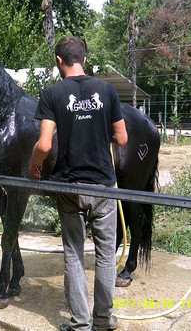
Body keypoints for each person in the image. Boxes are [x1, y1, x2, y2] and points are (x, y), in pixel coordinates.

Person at [28, 36, 128, 331]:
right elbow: (121, 138)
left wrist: (34, 165)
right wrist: (98, 133)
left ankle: (80, 324)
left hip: (69, 187)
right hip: (102, 186)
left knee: (73, 253)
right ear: (84, 57)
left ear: (59, 60)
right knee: (105, 254)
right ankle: (102, 320)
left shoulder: (52, 93)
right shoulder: (107, 90)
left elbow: (44, 146)